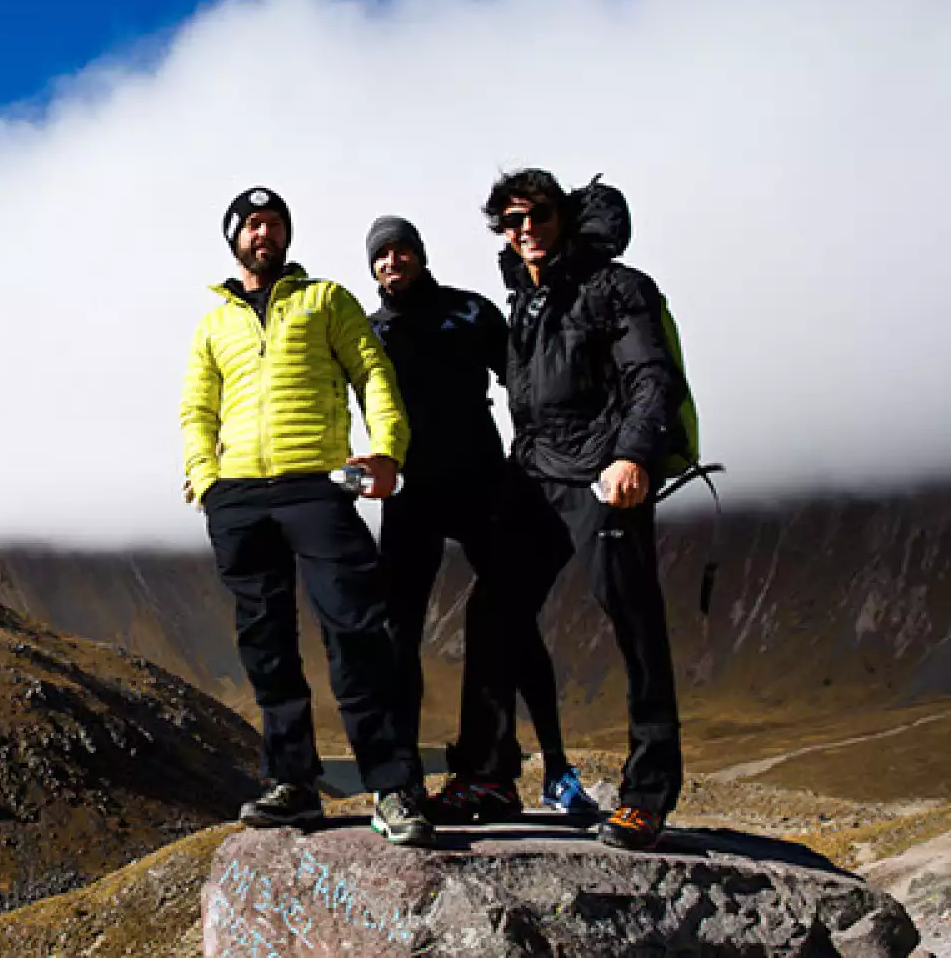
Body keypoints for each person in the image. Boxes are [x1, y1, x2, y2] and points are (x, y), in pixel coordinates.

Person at [438, 169, 684, 850]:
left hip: (605, 474)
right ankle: (486, 774)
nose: (524, 230)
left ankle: (647, 793)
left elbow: (650, 376)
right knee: (493, 612)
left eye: (536, 215)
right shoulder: (524, 299)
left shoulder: (616, 287)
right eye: (511, 222)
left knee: (632, 617)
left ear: (563, 215)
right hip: (535, 477)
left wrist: (633, 453)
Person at [180, 186, 433, 847]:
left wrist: (386, 451)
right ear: (234, 237)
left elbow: (374, 376)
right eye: (253, 224)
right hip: (238, 495)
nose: (265, 234)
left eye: (275, 224)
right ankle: (292, 784)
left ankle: (394, 783)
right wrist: (208, 482)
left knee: (356, 629)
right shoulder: (213, 323)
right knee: (265, 644)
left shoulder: (326, 300)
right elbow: (196, 410)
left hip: (317, 485)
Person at [363, 215, 596, 816]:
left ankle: (551, 766)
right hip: (410, 495)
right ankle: (404, 778)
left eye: (400, 251)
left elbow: (526, 383)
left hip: (482, 481)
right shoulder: (368, 333)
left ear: (419, 253)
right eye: (380, 256)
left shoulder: (470, 312)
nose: (391, 262)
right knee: (396, 633)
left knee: (509, 619)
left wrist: (544, 456)